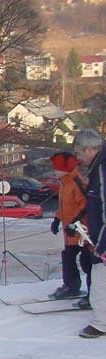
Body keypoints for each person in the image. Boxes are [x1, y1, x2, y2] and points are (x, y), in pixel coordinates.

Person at [72, 129, 106, 338]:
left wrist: (102, 244)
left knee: (100, 280)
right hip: (100, 234)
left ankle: (101, 324)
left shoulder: (102, 168)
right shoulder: (98, 167)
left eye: (79, 153)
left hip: (104, 239)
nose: (78, 158)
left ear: (88, 149)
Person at [48, 152, 91, 302]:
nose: (54, 171)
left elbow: (85, 206)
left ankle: (93, 294)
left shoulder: (76, 182)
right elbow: (64, 206)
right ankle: (71, 286)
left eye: (56, 168)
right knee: (68, 257)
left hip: (82, 232)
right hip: (70, 232)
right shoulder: (65, 183)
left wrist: (74, 223)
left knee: (87, 263)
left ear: (65, 168)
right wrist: (56, 220)